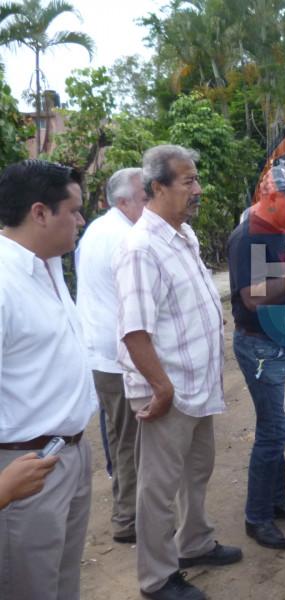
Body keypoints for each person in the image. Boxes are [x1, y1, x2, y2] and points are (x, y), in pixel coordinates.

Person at [114, 145, 242, 600]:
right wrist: (161, 388)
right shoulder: (142, 247)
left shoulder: (181, 235)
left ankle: (194, 543)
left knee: (197, 470)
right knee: (159, 488)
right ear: (156, 188)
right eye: (188, 182)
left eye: (196, 180)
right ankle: (157, 577)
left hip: (194, 385)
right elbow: (134, 331)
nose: (198, 190)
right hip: (166, 390)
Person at [0, 160, 95, 600]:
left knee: (62, 580)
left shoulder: (51, 266)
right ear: (39, 213)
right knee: (30, 586)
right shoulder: (4, 281)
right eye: (73, 211)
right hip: (23, 466)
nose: (80, 220)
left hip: (70, 453)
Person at [228, 170, 285, 551]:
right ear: (273, 197)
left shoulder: (279, 230)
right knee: (274, 430)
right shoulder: (249, 236)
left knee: (280, 426)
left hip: (277, 341)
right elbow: (253, 297)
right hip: (258, 345)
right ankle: (256, 516)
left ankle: (275, 500)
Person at [76, 167, 147, 544]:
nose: (148, 201)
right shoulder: (123, 236)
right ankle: (128, 521)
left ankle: (129, 515)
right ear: (123, 202)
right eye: (143, 196)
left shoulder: (99, 230)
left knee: (121, 436)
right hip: (117, 357)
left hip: (103, 354)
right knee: (131, 443)